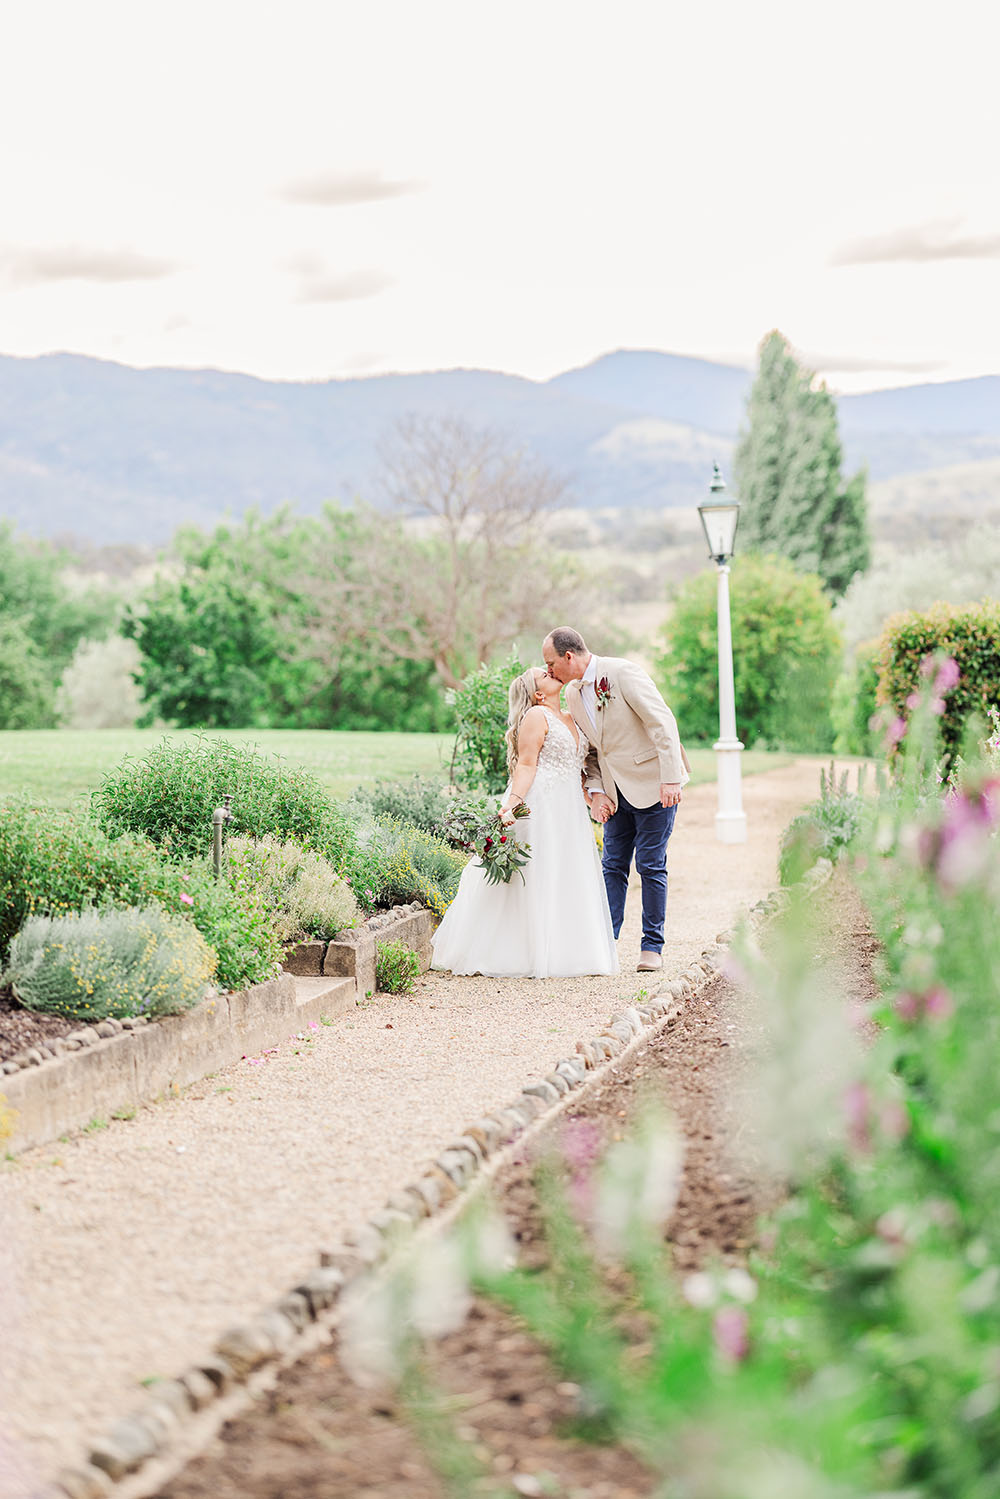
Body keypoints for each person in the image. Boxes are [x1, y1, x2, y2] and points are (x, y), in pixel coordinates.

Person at [431, 666, 619, 979]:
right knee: (533, 873)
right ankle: (516, 950)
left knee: (565, 871)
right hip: (540, 802)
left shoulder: (572, 715)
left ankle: (566, 950)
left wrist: (593, 795)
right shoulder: (536, 716)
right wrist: (512, 804)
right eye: (543, 675)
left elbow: (579, 767)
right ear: (537, 693)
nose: (551, 672)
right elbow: (527, 764)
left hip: (569, 808)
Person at [542, 626, 687, 973]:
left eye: (550, 663)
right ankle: (605, 943)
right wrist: (595, 791)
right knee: (612, 865)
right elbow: (590, 752)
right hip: (614, 793)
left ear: (568, 656)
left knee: (650, 864)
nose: (548, 671)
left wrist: (670, 778)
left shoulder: (623, 673)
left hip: (654, 784)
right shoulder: (574, 695)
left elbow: (662, 723)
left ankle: (652, 946)